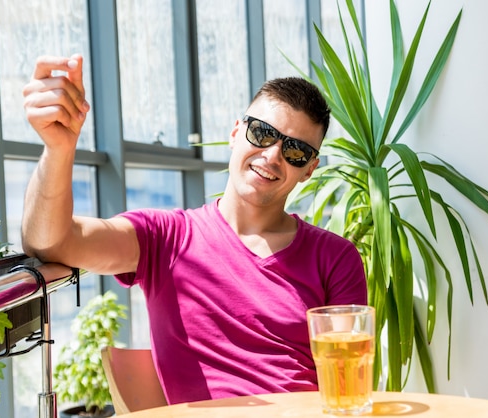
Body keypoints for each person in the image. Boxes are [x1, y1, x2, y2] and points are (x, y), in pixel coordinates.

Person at [21, 54, 367, 404]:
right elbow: (52, 242)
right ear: (236, 133)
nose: (273, 156)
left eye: (295, 151)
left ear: (309, 169)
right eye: (262, 133)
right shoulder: (164, 239)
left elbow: (345, 379)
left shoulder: (335, 257)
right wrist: (58, 149)